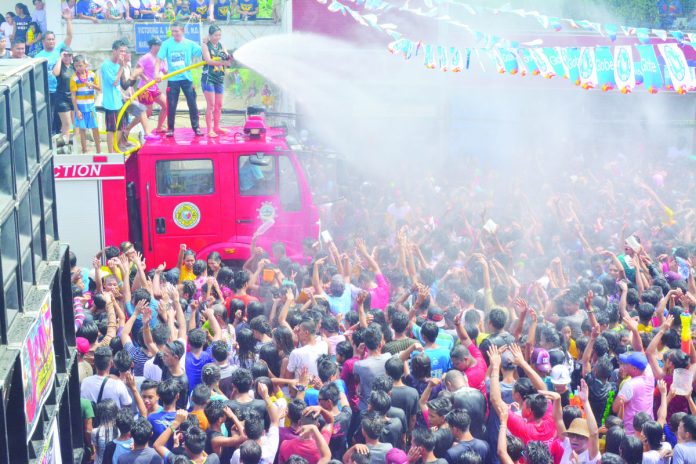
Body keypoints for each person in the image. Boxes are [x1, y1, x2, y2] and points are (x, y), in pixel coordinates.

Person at [155, 21, 203, 137]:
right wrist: (157, 73)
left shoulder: (190, 44)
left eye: (176, 31)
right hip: (173, 80)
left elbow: (203, 52)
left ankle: (196, 128)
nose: (174, 33)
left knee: (192, 103)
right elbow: (158, 60)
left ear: (183, 31)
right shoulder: (166, 44)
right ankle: (170, 128)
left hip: (187, 79)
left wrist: (206, 43)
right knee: (171, 105)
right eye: (173, 31)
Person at [612, 351, 654, 435]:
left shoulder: (629, 385)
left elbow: (615, 408)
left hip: (631, 433)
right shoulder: (650, 377)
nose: (624, 366)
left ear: (634, 369)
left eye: (626, 364)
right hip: (648, 431)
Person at [201, 25, 232, 137]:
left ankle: (216, 127)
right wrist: (222, 63)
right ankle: (209, 130)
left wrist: (228, 59)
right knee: (211, 105)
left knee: (219, 105)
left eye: (219, 35)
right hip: (209, 78)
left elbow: (227, 59)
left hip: (219, 78)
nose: (218, 37)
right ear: (210, 35)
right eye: (215, 35)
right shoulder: (205, 45)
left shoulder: (221, 45)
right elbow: (208, 61)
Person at [101, 39, 128, 153]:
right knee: (111, 129)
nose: (123, 54)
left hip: (118, 101)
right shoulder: (106, 65)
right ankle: (110, 152)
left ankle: (116, 149)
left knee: (121, 128)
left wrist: (123, 95)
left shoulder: (119, 65)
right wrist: (122, 67)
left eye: (124, 51)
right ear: (114, 51)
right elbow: (114, 82)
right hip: (110, 103)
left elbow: (118, 87)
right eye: (121, 51)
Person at [70, 54, 102, 153]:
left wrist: (91, 85)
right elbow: (73, 96)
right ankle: (84, 151)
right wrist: (77, 110)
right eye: (76, 66)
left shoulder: (92, 75)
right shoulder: (74, 78)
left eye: (80, 65)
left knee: (95, 128)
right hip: (80, 108)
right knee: (82, 129)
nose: (78, 68)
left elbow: (100, 89)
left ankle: (99, 151)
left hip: (91, 107)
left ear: (85, 65)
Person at [135, 36, 167, 135]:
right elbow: (137, 70)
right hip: (144, 88)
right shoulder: (146, 57)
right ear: (153, 46)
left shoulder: (160, 58)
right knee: (147, 113)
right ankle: (128, 128)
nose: (160, 47)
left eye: (160, 45)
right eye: (158, 45)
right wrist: (146, 79)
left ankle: (159, 127)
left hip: (154, 88)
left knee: (166, 105)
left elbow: (165, 71)